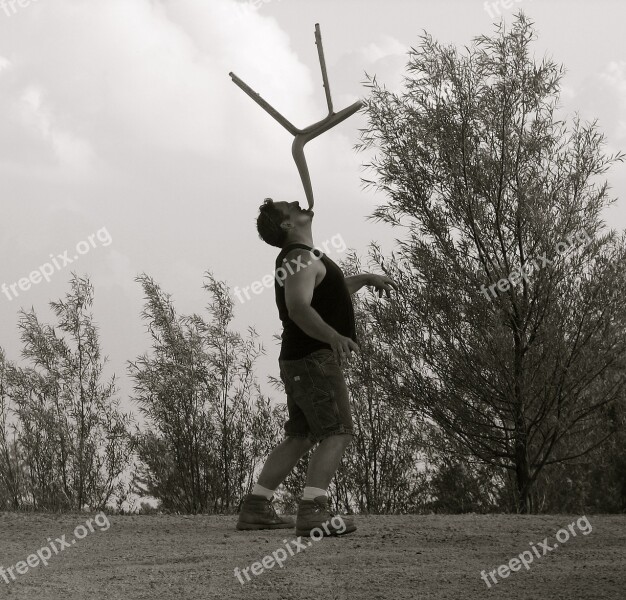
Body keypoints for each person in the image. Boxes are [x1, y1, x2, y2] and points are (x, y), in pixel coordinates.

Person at [236, 198, 398, 536]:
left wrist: (365, 278)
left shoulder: (304, 259)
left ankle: (255, 507)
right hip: (313, 359)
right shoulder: (298, 257)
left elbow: (330, 291)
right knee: (337, 432)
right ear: (286, 224)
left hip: (300, 359)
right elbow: (298, 308)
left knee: (301, 435)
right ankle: (313, 512)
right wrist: (334, 336)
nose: (298, 201)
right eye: (289, 205)